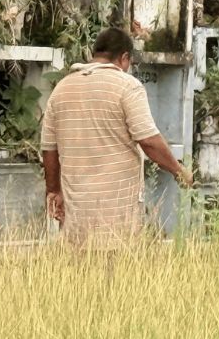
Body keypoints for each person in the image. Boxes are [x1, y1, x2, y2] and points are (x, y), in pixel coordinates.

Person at [41, 27, 192, 245]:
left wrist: (53, 191)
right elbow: (148, 140)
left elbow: (49, 149)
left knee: (79, 276)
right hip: (116, 219)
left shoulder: (62, 88)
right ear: (124, 58)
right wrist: (179, 172)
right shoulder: (127, 86)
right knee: (117, 277)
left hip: (76, 219)